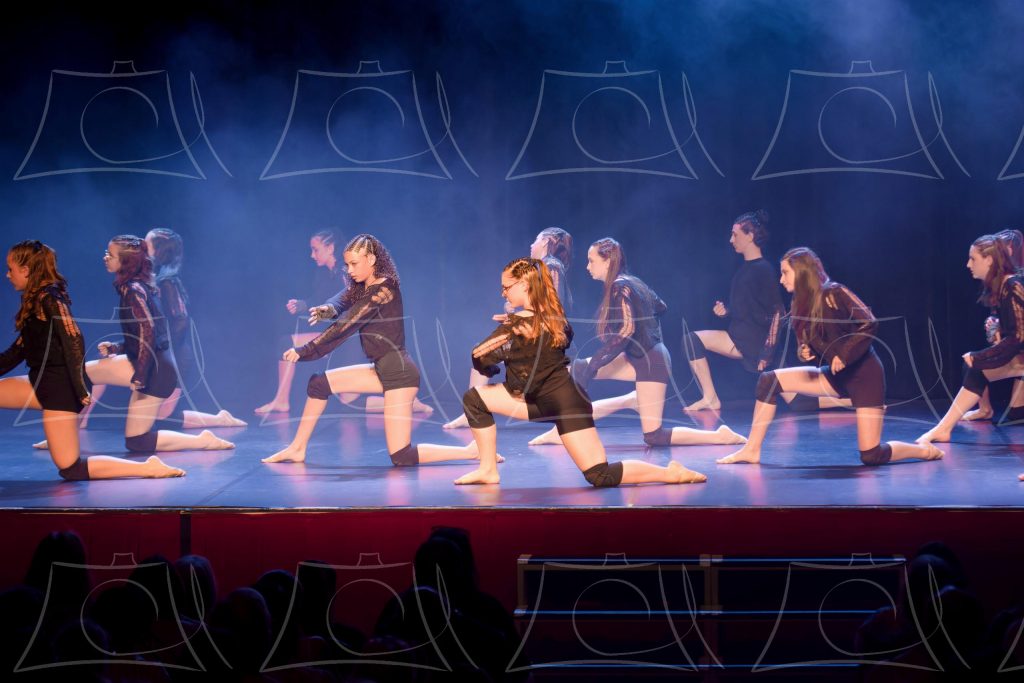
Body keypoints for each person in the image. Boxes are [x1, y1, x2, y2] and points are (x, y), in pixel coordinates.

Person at [448, 257, 706, 486]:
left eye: (506, 287)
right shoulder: (553, 317)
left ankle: (671, 473)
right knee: (475, 399)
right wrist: (515, 326)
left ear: (524, 285)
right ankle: (488, 469)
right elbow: (547, 339)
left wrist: (492, 366)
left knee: (599, 475)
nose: (503, 292)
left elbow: (479, 354)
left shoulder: (518, 326)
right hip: (553, 400)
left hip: (556, 404)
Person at [263, 234, 484, 467]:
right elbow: (342, 299)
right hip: (381, 369)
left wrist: (305, 350)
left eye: (354, 264)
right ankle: (297, 448)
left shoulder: (384, 289)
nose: (349, 270)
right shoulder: (364, 285)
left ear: (371, 259)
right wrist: (327, 309)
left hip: (399, 374)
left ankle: (470, 452)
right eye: (347, 264)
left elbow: (346, 325)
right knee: (318, 384)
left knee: (401, 456)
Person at [719, 247, 941, 466]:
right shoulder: (799, 304)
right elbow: (811, 347)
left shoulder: (834, 292)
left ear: (801, 272)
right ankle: (752, 450)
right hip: (834, 376)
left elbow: (869, 323)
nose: (781, 279)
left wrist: (843, 355)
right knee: (769, 381)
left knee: (871, 455)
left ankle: (923, 450)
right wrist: (805, 352)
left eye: (785, 272)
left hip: (864, 377)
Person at [528, 238, 745, 448]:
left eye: (591, 261)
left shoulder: (620, 286)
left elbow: (626, 331)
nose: (587, 266)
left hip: (651, 362)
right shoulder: (631, 282)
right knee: (576, 371)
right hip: (638, 356)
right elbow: (661, 306)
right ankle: (565, 428)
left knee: (654, 436)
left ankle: (720, 436)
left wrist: (595, 364)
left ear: (608, 261)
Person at [0, 240, 183, 479]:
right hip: (43, 381)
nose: (7, 275)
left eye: (10, 269)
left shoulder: (50, 298)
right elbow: (17, 350)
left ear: (25, 270)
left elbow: (74, 338)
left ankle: (147, 467)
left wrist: (79, 388)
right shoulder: (36, 299)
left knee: (71, 469)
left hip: (58, 388)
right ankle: (65, 432)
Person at [74, 228, 246, 429]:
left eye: (146, 244)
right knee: (102, 365)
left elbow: (178, 321)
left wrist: (160, 350)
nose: (141, 246)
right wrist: (121, 347)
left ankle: (219, 420)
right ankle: (81, 419)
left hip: (172, 353)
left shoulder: (166, 282)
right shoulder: (146, 280)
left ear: (158, 250)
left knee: (162, 417)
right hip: (158, 350)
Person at [443, 227, 574, 430]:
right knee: (485, 351)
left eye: (536, 240)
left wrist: (522, 320)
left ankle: (473, 409)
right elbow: (540, 307)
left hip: (545, 335)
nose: (531, 244)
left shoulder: (551, 266)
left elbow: (552, 306)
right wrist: (515, 319)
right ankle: (472, 410)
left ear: (546, 242)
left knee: (484, 352)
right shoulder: (543, 267)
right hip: (542, 331)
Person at [919, 235, 1024, 447]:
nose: (968, 264)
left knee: (978, 365)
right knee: (977, 370)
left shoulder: (1013, 285)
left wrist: (981, 356)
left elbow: (1018, 337)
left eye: (973, 258)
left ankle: (944, 428)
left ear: (989, 260)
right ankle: (944, 428)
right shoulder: (1004, 286)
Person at [962, 229, 1024, 423]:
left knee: (979, 360)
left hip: (1019, 344)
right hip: (1018, 344)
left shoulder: (1015, 282)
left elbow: (1018, 333)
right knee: (973, 365)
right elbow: (1002, 310)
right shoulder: (1001, 280)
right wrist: (996, 323)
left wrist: (981, 355)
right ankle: (984, 408)